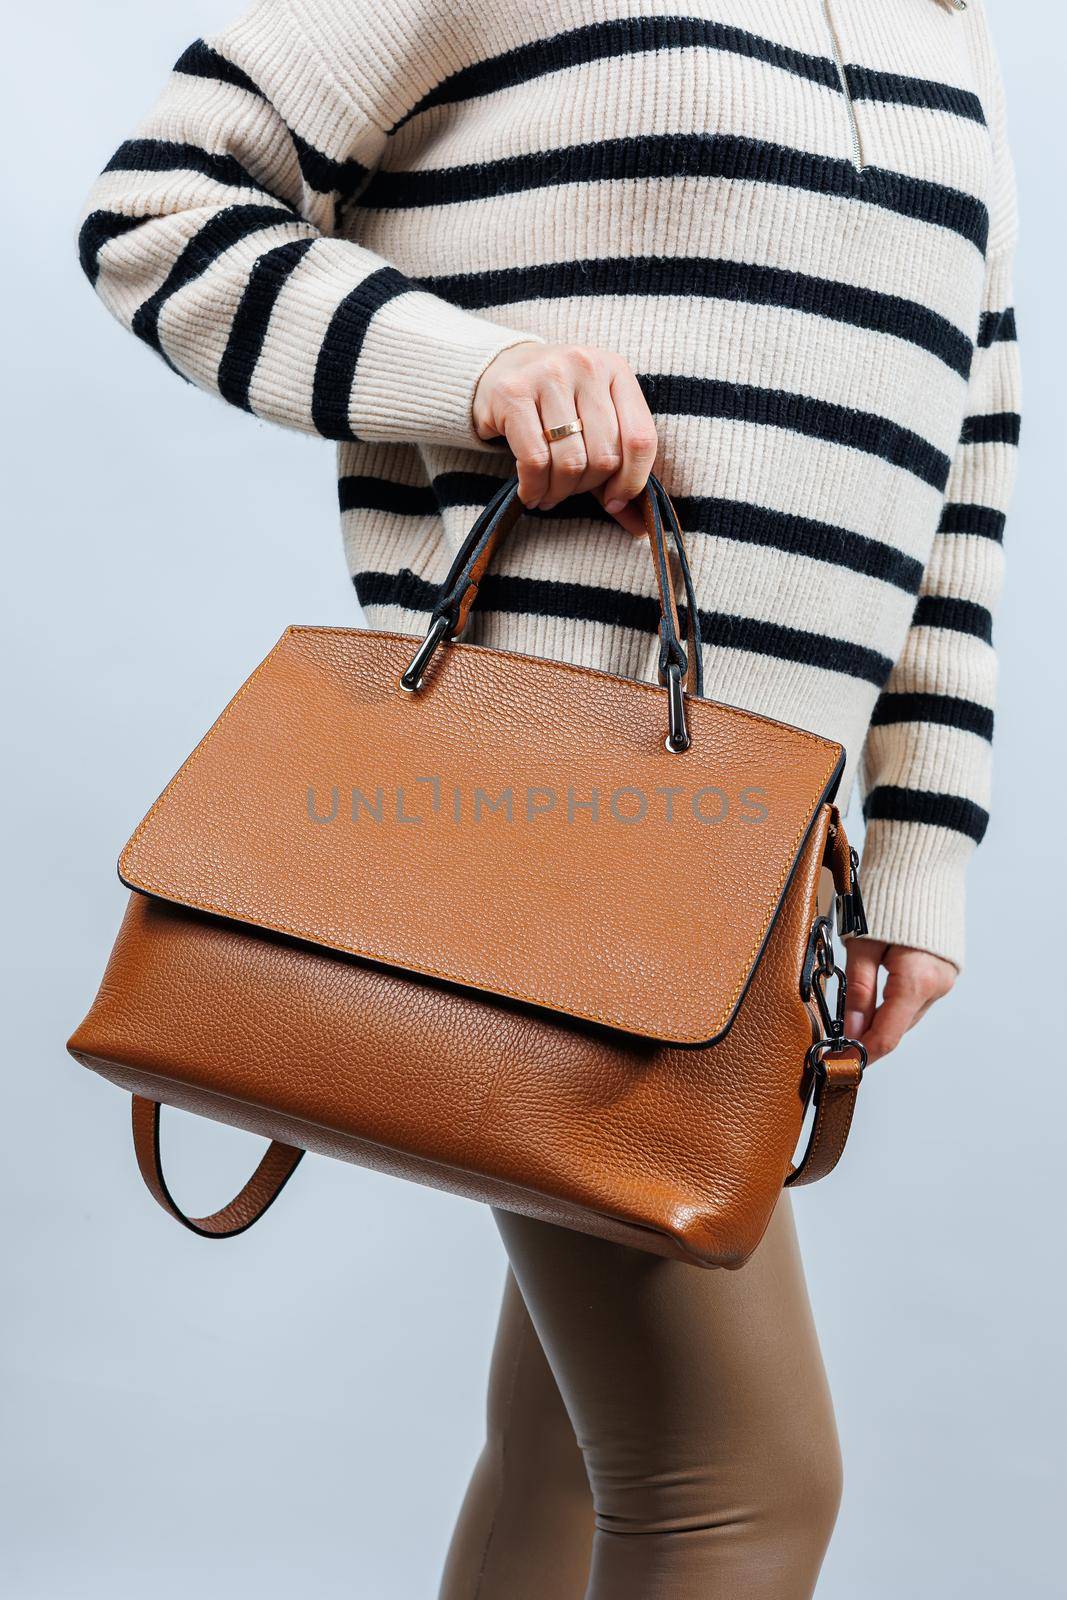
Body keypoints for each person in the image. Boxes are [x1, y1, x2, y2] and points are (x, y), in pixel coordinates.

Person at [77, 2, 1019, 1593]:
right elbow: (156, 211)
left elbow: (966, 449)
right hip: (553, 819)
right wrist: (480, 369)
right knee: (746, 1491)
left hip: (758, 865)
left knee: (576, 1469)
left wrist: (917, 854)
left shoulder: (953, 28)